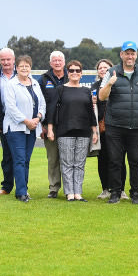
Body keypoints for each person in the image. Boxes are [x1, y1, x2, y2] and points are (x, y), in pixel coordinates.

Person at [99, 41, 138, 205]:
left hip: (137, 126)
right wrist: (110, 83)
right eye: (127, 53)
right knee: (115, 160)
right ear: (121, 55)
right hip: (115, 125)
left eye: (133, 53)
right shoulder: (111, 72)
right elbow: (102, 96)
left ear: (136, 55)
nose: (130, 56)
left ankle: (135, 193)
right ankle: (115, 192)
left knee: (136, 161)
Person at [47, 60, 98, 202]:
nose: (74, 73)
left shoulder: (86, 91)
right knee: (67, 163)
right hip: (65, 131)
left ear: (81, 73)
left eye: (77, 70)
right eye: (71, 70)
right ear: (67, 73)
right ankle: (69, 193)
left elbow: (90, 112)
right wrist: (50, 129)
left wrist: (94, 132)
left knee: (79, 164)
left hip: (83, 132)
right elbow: (51, 110)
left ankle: (78, 193)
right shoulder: (60, 89)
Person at [3, 56, 46, 202]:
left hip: (32, 128)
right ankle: (21, 192)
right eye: (21, 66)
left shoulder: (34, 83)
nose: (24, 68)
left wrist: (38, 118)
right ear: (16, 67)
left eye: (27, 66)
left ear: (30, 68)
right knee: (20, 160)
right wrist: (26, 121)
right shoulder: (11, 84)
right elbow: (10, 108)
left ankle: (23, 190)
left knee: (26, 160)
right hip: (16, 128)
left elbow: (42, 104)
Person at [91, 59, 127, 200]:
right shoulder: (94, 86)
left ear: (112, 70)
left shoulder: (118, 85)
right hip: (102, 128)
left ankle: (121, 189)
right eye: (100, 68)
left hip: (118, 126)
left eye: (106, 68)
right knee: (103, 159)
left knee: (118, 159)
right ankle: (105, 188)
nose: (103, 70)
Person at [38, 51, 68, 198]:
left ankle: (70, 189)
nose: (57, 63)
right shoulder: (43, 79)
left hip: (69, 124)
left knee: (68, 158)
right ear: (50, 63)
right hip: (49, 125)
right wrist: (42, 125)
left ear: (64, 62)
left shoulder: (72, 75)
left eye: (60, 60)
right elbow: (39, 103)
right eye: (54, 60)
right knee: (53, 158)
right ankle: (54, 188)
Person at [0, 47, 17, 195]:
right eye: (3, 59)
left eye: (8, 59)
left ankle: (22, 186)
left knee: (21, 156)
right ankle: (7, 186)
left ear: (14, 60)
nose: (6, 62)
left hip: (20, 121)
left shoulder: (22, 75)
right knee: (7, 155)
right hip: (2, 121)